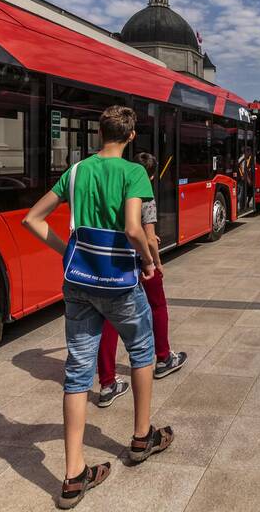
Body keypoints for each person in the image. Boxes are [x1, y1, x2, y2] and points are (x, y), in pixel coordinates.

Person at [22, 105, 173, 508]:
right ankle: (142, 437)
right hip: (119, 282)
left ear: (99, 133)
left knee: (77, 371)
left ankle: (74, 474)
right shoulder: (133, 172)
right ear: (131, 135)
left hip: (78, 281)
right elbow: (132, 229)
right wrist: (147, 260)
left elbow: (33, 219)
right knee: (141, 352)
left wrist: (66, 250)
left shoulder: (76, 171)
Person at [96, 152, 188, 406]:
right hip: (138, 261)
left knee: (109, 320)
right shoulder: (143, 191)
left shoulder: (112, 188)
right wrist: (155, 262)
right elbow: (146, 236)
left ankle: (107, 384)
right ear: (149, 174)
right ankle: (164, 358)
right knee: (158, 306)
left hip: (111, 263)